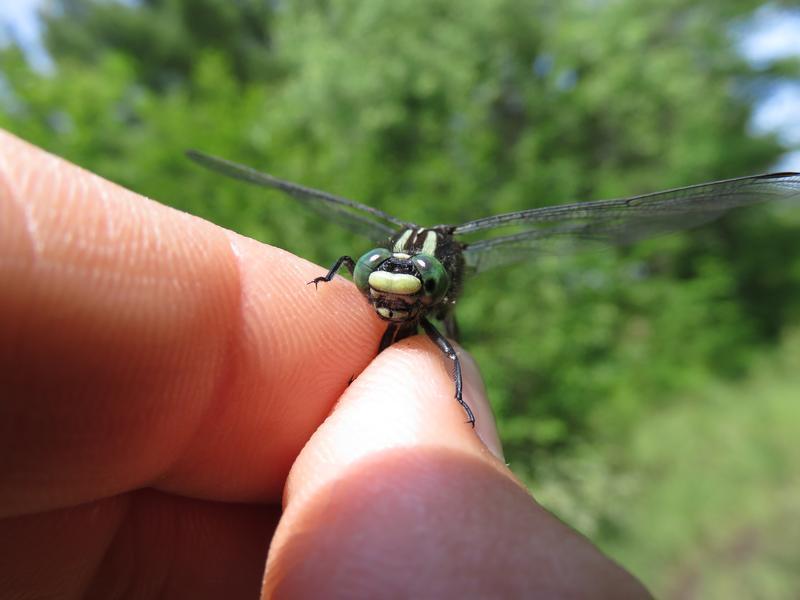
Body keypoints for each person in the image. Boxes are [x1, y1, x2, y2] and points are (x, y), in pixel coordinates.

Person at [0, 129, 650, 598]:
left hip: (438, 339)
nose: (389, 283)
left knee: (442, 361)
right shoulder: (373, 273)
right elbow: (347, 271)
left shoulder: (442, 284)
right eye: (377, 273)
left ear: (432, 279)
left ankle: (460, 399)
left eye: (407, 278)